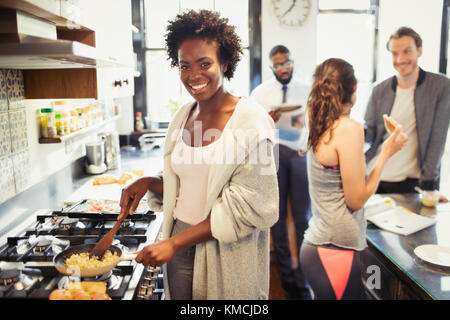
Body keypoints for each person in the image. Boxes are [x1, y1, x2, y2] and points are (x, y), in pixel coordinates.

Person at [117, 10, 279, 300]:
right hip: (178, 242)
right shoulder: (183, 116)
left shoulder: (252, 123)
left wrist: (175, 243)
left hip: (225, 251)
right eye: (184, 66)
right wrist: (150, 182)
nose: (193, 75)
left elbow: (255, 206)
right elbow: (189, 187)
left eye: (205, 64)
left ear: (225, 62)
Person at [300, 58, 408, 300]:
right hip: (334, 250)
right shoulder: (348, 128)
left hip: (323, 248)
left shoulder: (319, 122)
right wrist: (386, 153)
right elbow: (356, 200)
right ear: (355, 87)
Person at [250, 45, 312, 300]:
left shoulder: (306, 89)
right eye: (277, 65)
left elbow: (314, 121)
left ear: (292, 61)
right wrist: (266, 120)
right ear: (271, 67)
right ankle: (286, 278)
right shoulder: (260, 93)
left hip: (299, 156)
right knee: (276, 218)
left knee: (302, 219)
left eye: (286, 63)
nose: (283, 68)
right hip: (272, 155)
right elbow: (250, 127)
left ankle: (303, 279)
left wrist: (307, 145)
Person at [365, 26, 450, 197]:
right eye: (394, 54)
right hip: (375, 175)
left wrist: (429, 186)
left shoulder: (440, 86)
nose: (400, 59)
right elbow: (368, 135)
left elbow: (437, 138)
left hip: (411, 182)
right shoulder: (379, 90)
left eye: (406, 52)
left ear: (419, 51)